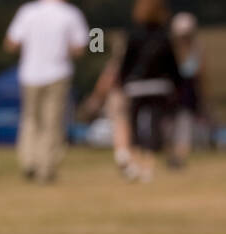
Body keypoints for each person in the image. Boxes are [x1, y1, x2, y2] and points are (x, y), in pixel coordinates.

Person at [5, 0, 89, 183]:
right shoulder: (70, 13)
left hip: (30, 74)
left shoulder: (27, 11)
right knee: (52, 122)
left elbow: (11, 43)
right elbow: (79, 48)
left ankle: (29, 161)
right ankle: (46, 168)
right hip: (58, 73)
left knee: (30, 119)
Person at [118, 0, 183, 182]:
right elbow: (173, 67)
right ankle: (148, 167)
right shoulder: (164, 37)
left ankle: (134, 163)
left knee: (135, 125)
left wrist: (122, 83)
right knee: (154, 125)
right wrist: (177, 86)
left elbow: (126, 64)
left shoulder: (134, 35)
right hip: (159, 87)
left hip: (136, 87)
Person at [82, 39, 132, 174]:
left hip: (119, 95)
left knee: (120, 124)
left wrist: (96, 98)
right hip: (134, 95)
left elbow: (106, 82)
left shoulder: (116, 64)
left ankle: (122, 153)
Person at [169, 11, 208, 168]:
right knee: (180, 128)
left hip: (180, 94)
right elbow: (201, 75)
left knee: (180, 128)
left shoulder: (175, 48)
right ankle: (177, 157)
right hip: (183, 94)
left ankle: (177, 158)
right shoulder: (196, 49)